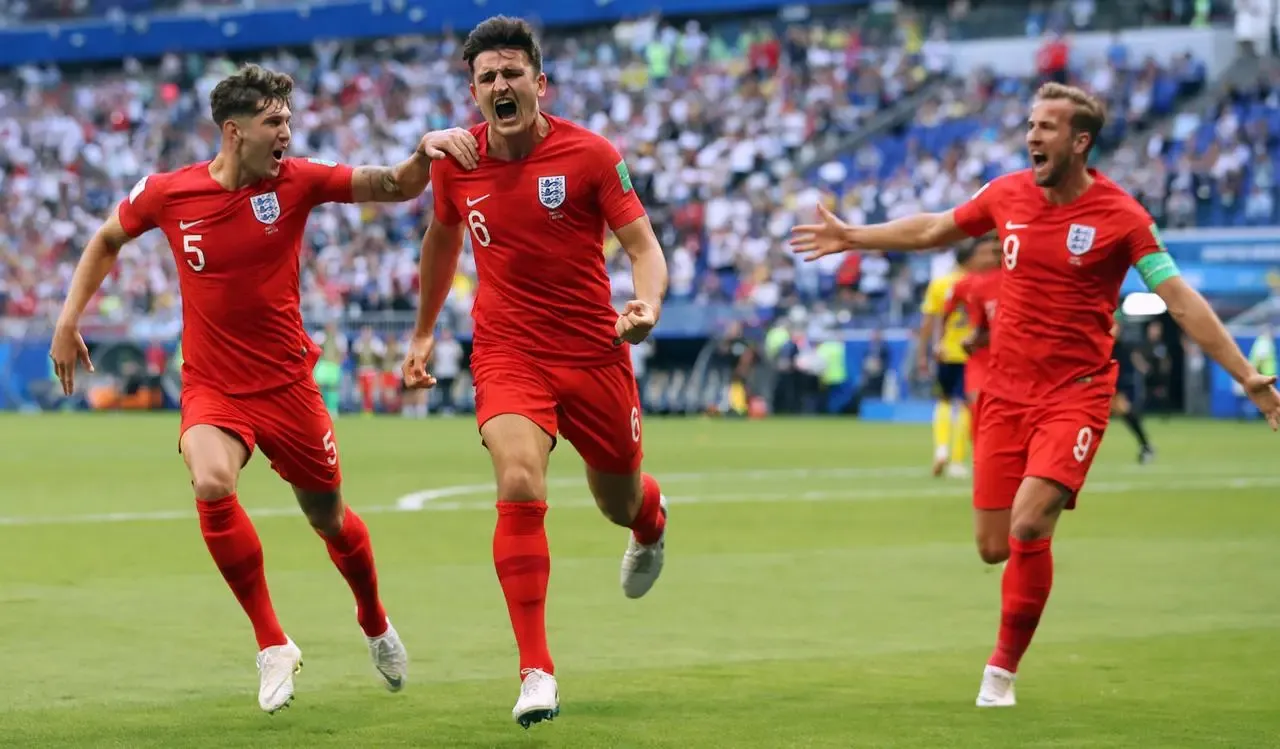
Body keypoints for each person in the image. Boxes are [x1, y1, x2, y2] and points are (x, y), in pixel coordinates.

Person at [791, 81, 1280, 709]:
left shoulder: (1123, 218)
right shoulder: (1007, 194)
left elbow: (1179, 298)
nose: (1031, 136)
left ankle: (1001, 673)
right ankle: (1034, 549)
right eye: (1030, 125)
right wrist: (856, 236)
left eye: (1046, 127)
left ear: (1080, 141)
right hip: (1002, 394)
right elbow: (937, 228)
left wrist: (1246, 376)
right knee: (995, 546)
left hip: (1074, 394)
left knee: (1026, 522)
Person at [49, 63, 481, 714]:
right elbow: (107, 237)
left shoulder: (298, 181)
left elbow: (392, 185)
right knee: (211, 481)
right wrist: (67, 318)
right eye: (273, 121)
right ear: (234, 131)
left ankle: (373, 620)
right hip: (213, 386)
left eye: (288, 119)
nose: (286, 131)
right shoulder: (170, 193)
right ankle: (272, 641)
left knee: (329, 520)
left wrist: (422, 152)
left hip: (287, 387)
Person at [399, 16, 670, 729]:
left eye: (512, 72)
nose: (500, 85)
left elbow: (642, 243)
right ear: (474, 91)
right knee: (518, 477)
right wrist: (424, 332)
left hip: (593, 351)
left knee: (619, 497)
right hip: (508, 352)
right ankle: (535, 668)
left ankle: (650, 520)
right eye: (487, 77)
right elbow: (442, 240)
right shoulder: (454, 161)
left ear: (539, 83)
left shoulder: (590, 154)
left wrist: (648, 303)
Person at [919, 238, 1000, 477]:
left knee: (944, 401)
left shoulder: (940, 284)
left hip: (947, 350)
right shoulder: (980, 281)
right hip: (975, 352)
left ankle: (941, 448)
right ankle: (957, 459)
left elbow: (931, 321)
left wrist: (931, 347)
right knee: (969, 405)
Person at [942, 234, 1002, 449]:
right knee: (974, 405)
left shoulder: (1020, 281)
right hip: (979, 357)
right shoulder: (972, 286)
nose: (989, 258)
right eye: (985, 253)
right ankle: (980, 457)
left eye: (995, 252)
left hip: (1013, 358)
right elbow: (978, 326)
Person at [1109, 313, 1156, 462]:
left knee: (1123, 410)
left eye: (1115, 325)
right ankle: (1145, 445)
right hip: (1102, 385)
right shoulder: (1104, 345)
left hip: (1111, 385)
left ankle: (1146, 445)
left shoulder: (1121, 347)